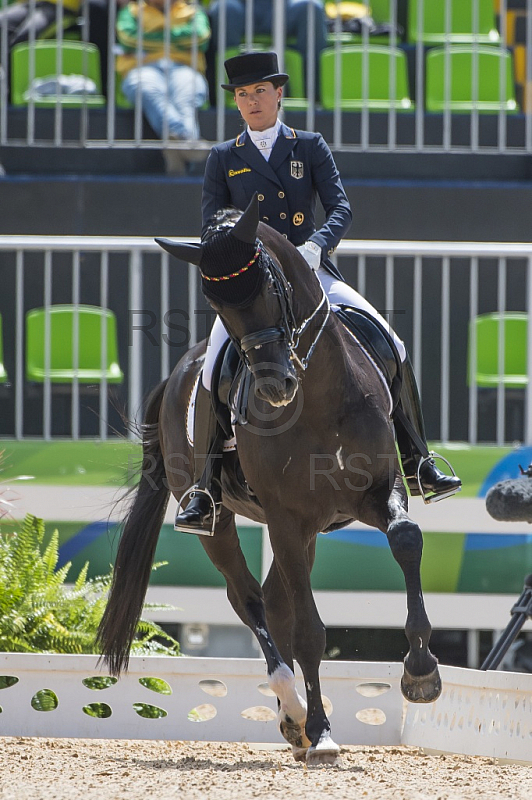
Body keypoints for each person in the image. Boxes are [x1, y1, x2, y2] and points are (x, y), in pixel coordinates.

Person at [175, 50, 461, 535]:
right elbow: (211, 225)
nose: (251, 101)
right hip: (254, 288)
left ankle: (417, 459)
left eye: (259, 92)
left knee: (392, 341)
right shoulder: (224, 157)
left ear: (278, 93)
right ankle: (204, 485)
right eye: (243, 95)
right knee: (211, 366)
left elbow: (340, 206)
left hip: (312, 273)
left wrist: (314, 246)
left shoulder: (307, 145)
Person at [116, 0, 211, 174]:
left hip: (185, 67)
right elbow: (128, 40)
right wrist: (178, 38)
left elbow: (201, 38)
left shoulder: (193, 10)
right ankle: (186, 140)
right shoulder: (131, 11)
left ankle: (177, 145)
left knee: (188, 94)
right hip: (142, 67)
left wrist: (152, 35)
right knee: (146, 88)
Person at [206, 0, 327, 103]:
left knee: (311, 8)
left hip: (285, 6)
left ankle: (313, 98)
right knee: (223, 9)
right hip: (240, 7)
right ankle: (221, 99)